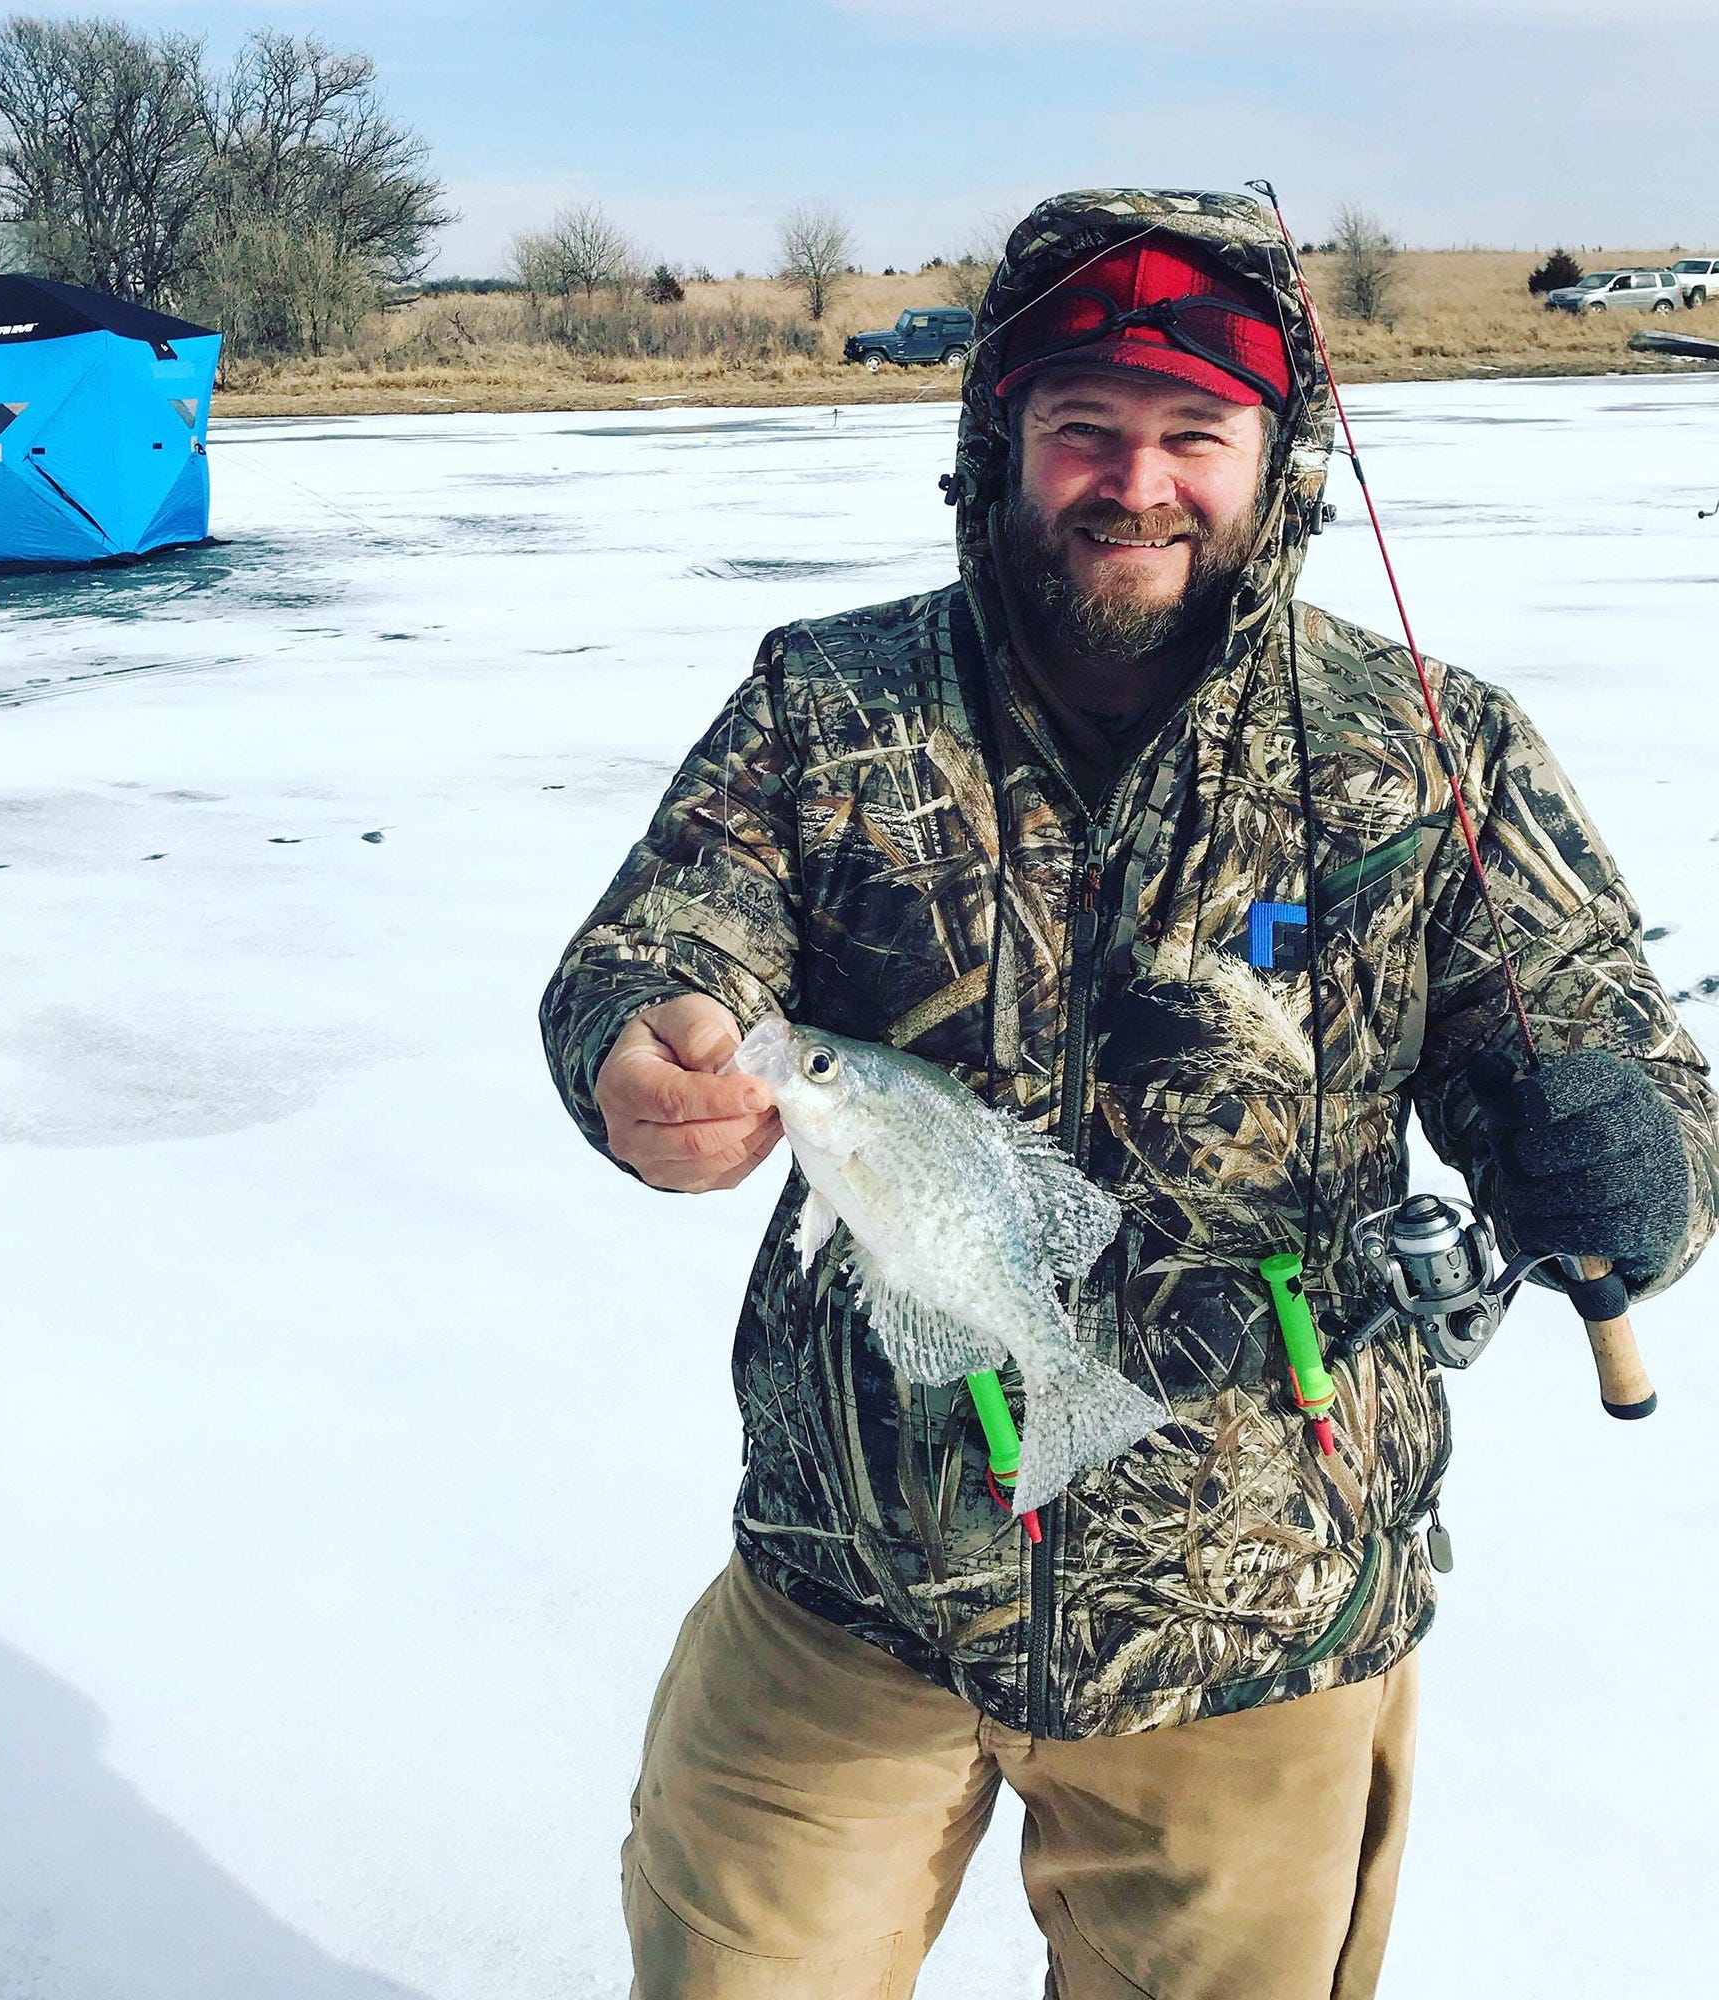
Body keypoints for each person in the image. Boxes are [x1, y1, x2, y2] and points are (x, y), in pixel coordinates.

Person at [539, 188, 1719, 2000]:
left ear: (1277, 454)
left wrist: (1623, 1154)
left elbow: (1615, 1054)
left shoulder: (1429, 744)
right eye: (1083, 427)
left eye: (1195, 434)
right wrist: (642, 1046)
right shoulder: (827, 704)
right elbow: (659, 941)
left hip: (1264, 1621)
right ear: (998, 440)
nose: (1136, 481)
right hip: (845, 1589)